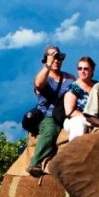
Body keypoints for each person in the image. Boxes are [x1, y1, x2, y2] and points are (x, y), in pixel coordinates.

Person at [28, 45, 74, 177]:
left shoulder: (69, 78)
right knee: (50, 131)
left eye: (58, 57)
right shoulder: (44, 77)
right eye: (52, 57)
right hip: (48, 116)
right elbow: (38, 84)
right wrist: (47, 65)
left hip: (67, 115)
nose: (56, 60)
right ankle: (34, 162)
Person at [63, 56, 97, 141]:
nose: (82, 71)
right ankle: (73, 152)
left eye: (86, 68)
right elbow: (69, 112)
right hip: (76, 119)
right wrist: (89, 119)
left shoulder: (98, 86)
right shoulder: (73, 87)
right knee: (79, 124)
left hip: (96, 119)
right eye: (80, 68)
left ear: (92, 70)